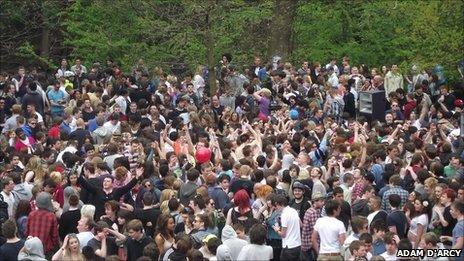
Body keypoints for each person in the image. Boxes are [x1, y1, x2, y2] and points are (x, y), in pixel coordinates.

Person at [25, 192, 59, 259]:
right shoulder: (51, 216)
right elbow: (54, 235)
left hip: (32, 249)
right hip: (46, 250)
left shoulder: (31, 214)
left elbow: (27, 232)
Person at [272, 194, 301, 260]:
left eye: (275, 206)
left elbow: (283, 234)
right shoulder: (294, 211)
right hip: (298, 245)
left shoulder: (284, 215)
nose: (275, 209)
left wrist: (277, 230)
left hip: (288, 247)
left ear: (278, 204)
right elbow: (301, 224)